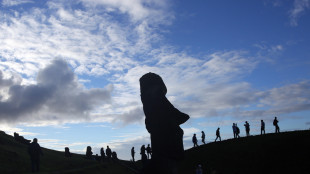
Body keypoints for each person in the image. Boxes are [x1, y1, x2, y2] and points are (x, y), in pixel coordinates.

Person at [140, 72, 190, 173]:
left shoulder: (157, 104)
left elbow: (176, 116)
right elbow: (176, 116)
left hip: (166, 155)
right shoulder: (155, 105)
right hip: (165, 155)